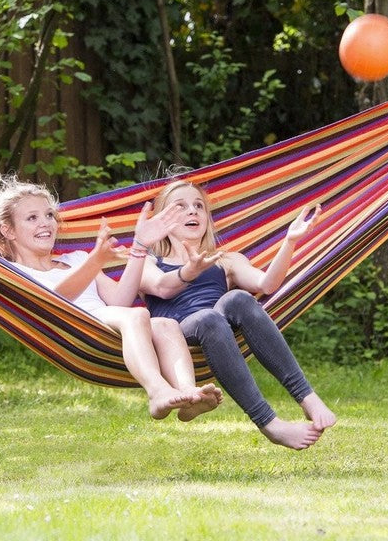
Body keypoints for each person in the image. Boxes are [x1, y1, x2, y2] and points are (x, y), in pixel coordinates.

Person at [0, 174, 222, 422]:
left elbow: (119, 301)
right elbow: (53, 301)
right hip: (75, 329)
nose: (46, 223)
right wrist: (96, 261)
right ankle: (157, 391)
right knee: (137, 315)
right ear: (8, 230)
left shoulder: (77, 259)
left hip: (109, 327)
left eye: (49, 215)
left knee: (164, 324)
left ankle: (190, 394)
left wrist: (139, 246)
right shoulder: (14, 272)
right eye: (32, 218)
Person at [138, 179, 336, 450]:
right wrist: (189, 270)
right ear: (162, 218)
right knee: (208, 318)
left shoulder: (225, 260)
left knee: (238, 299)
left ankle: (307, 397)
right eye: (180, 206)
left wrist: (289, 242)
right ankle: (270, 423)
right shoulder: (148, 262)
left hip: (217, 330)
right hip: (175, 334)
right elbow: (160, 287)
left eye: (198, 206)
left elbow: (266, 284)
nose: (193, 211)